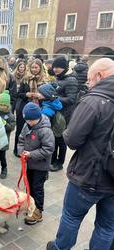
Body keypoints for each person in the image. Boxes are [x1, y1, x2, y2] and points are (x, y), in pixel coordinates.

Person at [46, 58, 114, 250]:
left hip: (87, 177)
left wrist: (67, 130)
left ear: (99, 76)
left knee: (71, 217)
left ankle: (60, 248)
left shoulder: (93, 100)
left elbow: (72, 140)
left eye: (90, 80)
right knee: (107, 226)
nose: (89, 85)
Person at [18, 102, 55, 225]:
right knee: (29, 184)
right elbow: (21, 139)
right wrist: (21, 151)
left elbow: (48, 149)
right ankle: (31, 205)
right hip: (30, 164)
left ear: (37, 118)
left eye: (30, 120)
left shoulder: (45, 130)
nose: (28, 122)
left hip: (41, 166)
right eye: (27, 120)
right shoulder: (27, 125)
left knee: (37, 188)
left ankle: (38, 211)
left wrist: (31, 154)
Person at [50, 56, 78, 171]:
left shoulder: (71, 80)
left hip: (64, 115)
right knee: (54, 138)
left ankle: (59, 162)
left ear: (64, 67)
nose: (55, 69)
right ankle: (52, 160)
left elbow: (71, 99)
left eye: (58, 67)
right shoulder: (60, 77)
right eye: (54, 67)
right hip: (56, 113)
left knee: (61, 140)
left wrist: (55, 98)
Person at [14, 59, 46, 157]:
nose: (34, 69)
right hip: (24, 107)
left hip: (38, 109)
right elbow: (18, 94)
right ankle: (17, 150)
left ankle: (32, 151)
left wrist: (41, 96)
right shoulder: (25, 79)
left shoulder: (44, 81)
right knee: (20, 130)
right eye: (32, 67)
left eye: (36, 67)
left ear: (40, 68)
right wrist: (26, 94)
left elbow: (48, 96)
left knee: (35, 131)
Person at [0, 90, 15, 179]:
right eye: (0, 104)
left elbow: (12, 127)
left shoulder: (10, 116)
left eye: (4, 105)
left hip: (4, 141)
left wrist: (5, 124)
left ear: (8, 105)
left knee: (2, 156)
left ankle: (4, 168)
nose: (2, 106)